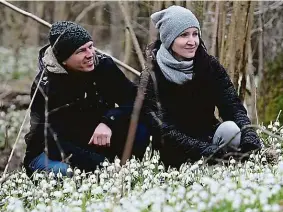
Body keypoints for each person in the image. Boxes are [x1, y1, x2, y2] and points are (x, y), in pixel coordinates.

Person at [139, 6, 262, 169]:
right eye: (184, 35)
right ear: (169, 39)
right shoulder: (151, 75)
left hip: (209, 139)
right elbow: (161, 128)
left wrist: (249, 136)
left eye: (195, 34)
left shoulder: (209, 66)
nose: (192, 41)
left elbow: (232, 107)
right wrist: (204, 150)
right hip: (172, 150)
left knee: (231, 129)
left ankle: (228, 168)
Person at [23, 21, 150, 176]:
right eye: (81, 51)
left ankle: (130, 173)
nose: (90, 54)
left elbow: (135, 99)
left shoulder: (103, 65)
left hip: (92, 141)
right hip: (52, 151)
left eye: (90, 46)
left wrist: (108, 120)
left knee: (142, 126)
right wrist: (98, 163)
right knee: (69, 175)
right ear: (63, 59)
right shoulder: (46, 85)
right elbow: (49, 140)